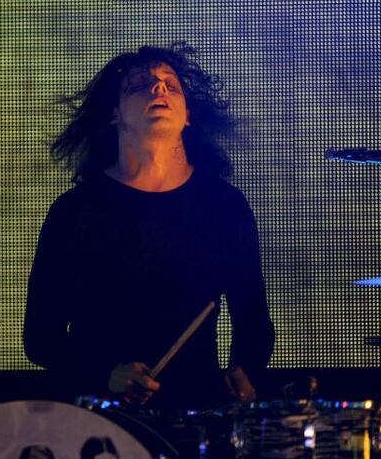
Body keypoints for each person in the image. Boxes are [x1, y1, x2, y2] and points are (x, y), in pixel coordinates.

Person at [23, 42, 275, 408]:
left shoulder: (224, 205)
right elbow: (40, 338)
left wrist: (244, 370)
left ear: (188, 116)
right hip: (101, 419)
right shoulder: (74, 212)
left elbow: (253, 321)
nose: (159, 88)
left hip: (196, 413)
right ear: (114, 113)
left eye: (171, 85)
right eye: (142, 84)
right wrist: (106, 374)